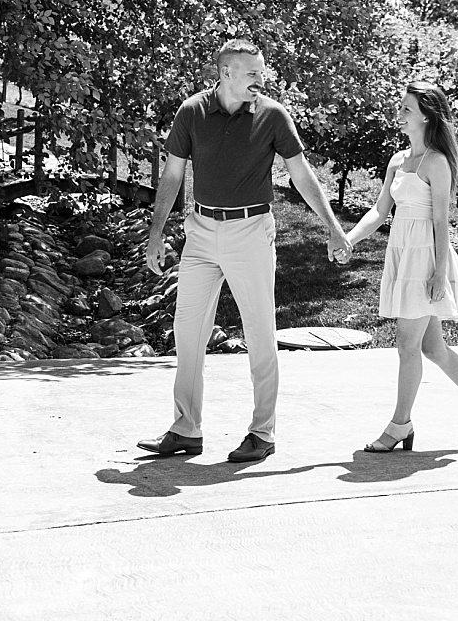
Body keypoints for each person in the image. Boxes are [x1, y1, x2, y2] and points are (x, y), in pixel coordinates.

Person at [138, 38, 353, 464]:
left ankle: (262, 432)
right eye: (253, 72)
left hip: (252, 230)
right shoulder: (192, 112)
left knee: (259, 332)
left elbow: (301, 175)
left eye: (261, 72)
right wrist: (156, 233)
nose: (261, 79)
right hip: (200, 232)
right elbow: (173, 175)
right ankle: (186, 427)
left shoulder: (272, 115)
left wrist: (333, 227)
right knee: (188, 331)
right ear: (227, 74)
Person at [342, 81, 458, 452]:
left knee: (407, 345)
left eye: (406, 108)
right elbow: (379, 211)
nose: (399, 114)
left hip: (426, 259)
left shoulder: (437, 162)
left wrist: (439, 272)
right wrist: (349, 238)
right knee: (432, 350)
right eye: (401, 107)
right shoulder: (397, 159)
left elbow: (442, 222)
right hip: (402, 252)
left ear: (425, 115)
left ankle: (399, 426)